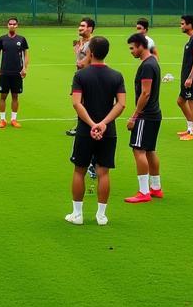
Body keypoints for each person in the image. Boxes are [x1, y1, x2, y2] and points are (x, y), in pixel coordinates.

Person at [65, 37, 126, 226]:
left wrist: (92, 124)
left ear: (90, 52)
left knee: (79, 171)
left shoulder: (81, 76)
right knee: (103, 172)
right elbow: (121, 104)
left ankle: (78, 214)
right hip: (108, 131)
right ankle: (101, 215)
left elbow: (76, 103)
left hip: (85, 130)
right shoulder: (117, 76)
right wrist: (103, 123)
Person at [125, 32, 164, 203]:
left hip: (146, 115)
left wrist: (134, 116)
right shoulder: (153, 61)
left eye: (132, 48)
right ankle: (156, 188)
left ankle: (143, 192)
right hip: (155, 113)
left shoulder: (147, 65)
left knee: (138, 150)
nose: (131, 51)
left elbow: (145, 92)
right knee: (150, 150)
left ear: (141, 46)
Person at [0, 17, 29, 128]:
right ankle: (2, 120)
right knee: (3, 96)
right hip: (4, 72)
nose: (12, 26)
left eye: (14, 24)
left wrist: (25, 68)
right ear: (7, 25)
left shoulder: (22, 39)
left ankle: (13, 119)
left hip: (17, 72)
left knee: (15, 96)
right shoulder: (1, 39)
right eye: (10, 24)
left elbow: (26, 55)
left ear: (17, 25)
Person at [66, 18, 96, 137]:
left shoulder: (93, 43)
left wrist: (81, 62)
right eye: (79, 25)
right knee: (79, 102)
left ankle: (84, 126)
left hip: (89, 76)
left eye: (83, 26)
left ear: (90, 28)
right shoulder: (80, 42)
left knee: (84, 102)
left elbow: (88, 60)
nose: (79, 28)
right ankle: (82, 125)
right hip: (80, 75)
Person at [176, 15, 193, 140]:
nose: (181, 26)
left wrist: (191, 77)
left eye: (183, 24)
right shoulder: (190, 40)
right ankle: (190, 128)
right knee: (180, 101)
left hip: (191, 78)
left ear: (190, 25)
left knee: (192, 103)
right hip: (186, 77)